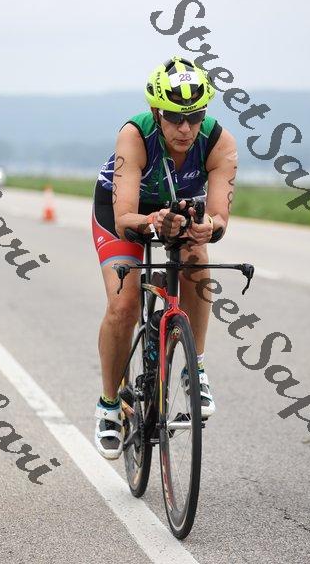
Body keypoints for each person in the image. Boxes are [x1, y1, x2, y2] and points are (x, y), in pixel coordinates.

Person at [91, 56, 238, 460]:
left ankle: (195, 367)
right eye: (174, 117)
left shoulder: (219, 142)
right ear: (157, 112)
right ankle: (108, 404)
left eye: (195, 116)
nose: (185, 128)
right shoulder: (135, 135)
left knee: (196, 253)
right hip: (124, 210)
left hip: (177, 208)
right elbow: (124, 218)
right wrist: (153, 221)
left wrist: (208, 226)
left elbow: (220, 216)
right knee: (123, 304)